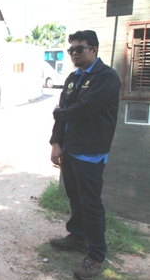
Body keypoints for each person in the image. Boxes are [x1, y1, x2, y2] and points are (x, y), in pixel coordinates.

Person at [49, 30, 121, 280]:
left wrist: (60, 112)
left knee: (91, 205)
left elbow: (85, 108)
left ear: (94, 49)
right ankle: (77, 237)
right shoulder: (72, 78)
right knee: (75, 198)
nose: (74, 54)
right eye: (71, 50)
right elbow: (65, 110)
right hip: (69, 149)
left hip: (90, 153)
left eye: (80, 49)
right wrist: (56, 142)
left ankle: (96, 255)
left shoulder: (107, 78)